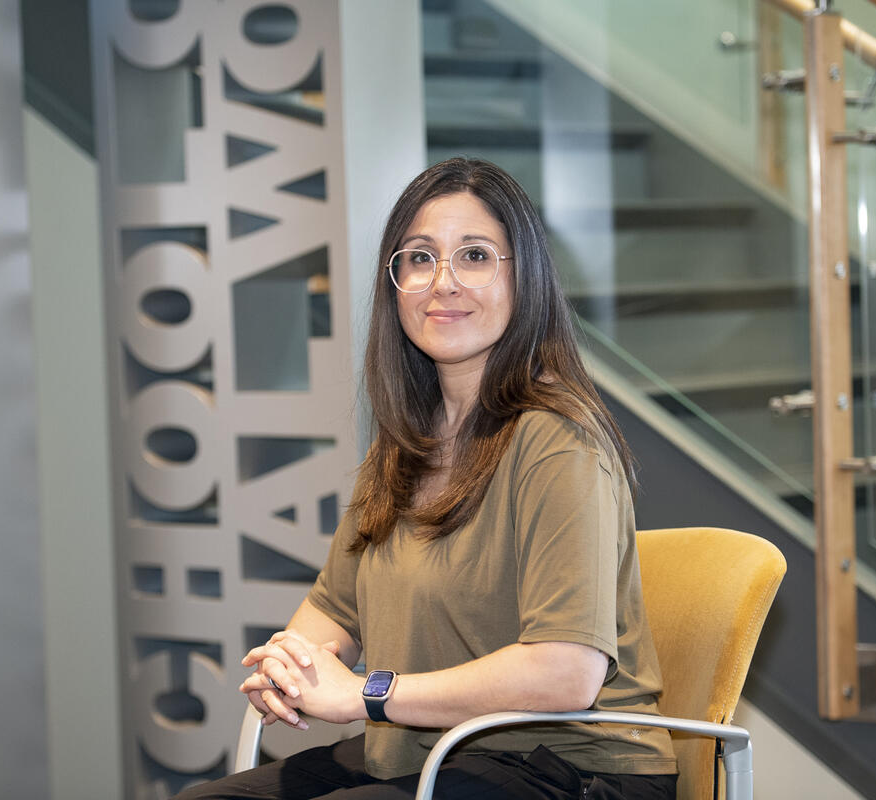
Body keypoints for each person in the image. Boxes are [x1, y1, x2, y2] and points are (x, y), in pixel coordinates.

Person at [174, 158, 677, 799]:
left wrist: (366, 694)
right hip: (425, 756)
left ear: (525, 279)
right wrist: (292, 665)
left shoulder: (558, 440)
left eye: (475, 256)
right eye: (419, 258)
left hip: (569, 770)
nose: (443, 282)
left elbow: (565, 673)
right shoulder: (405, 443)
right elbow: (334, 609)